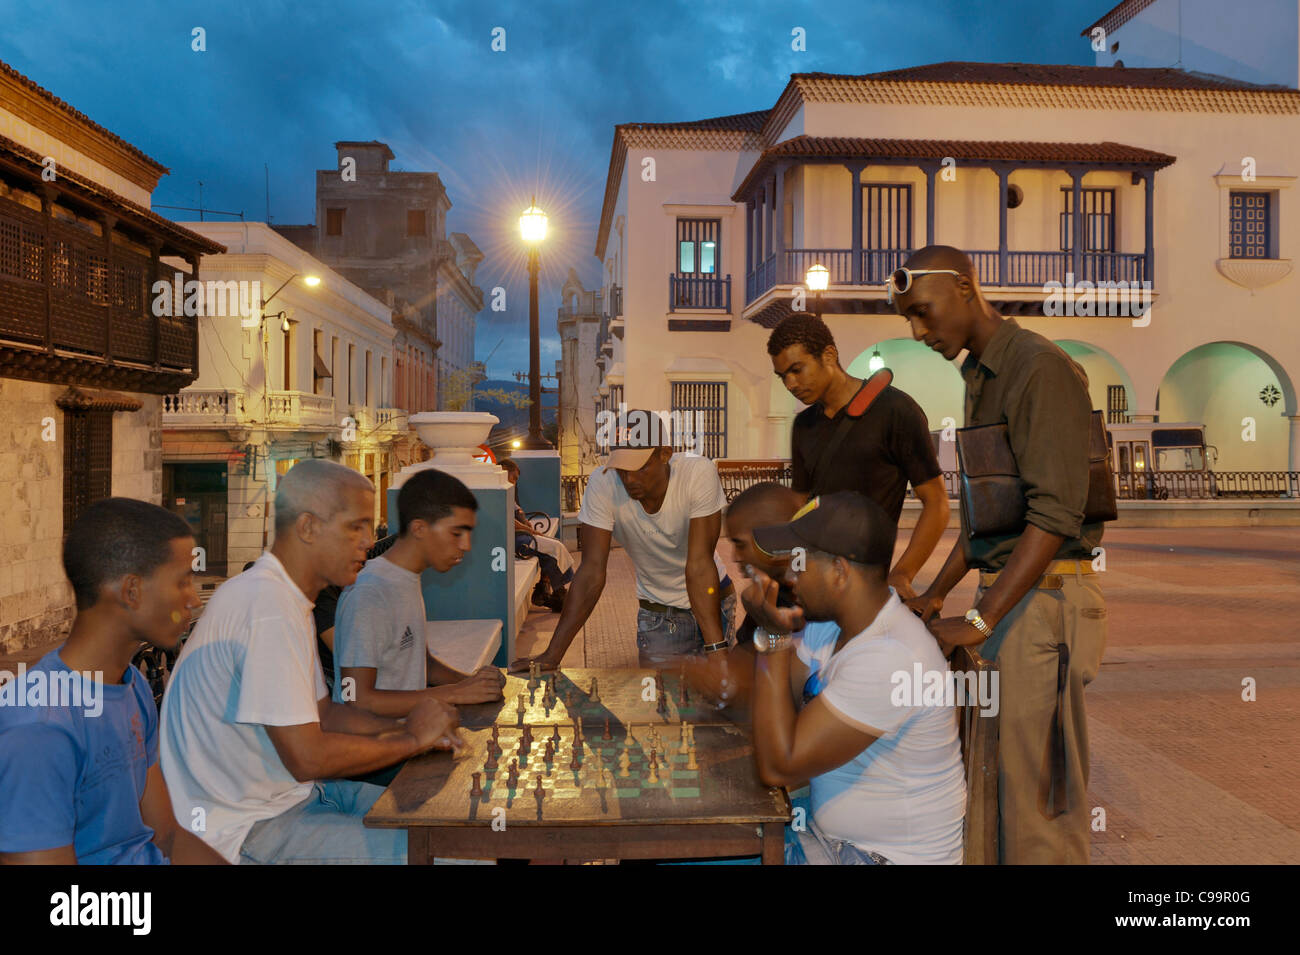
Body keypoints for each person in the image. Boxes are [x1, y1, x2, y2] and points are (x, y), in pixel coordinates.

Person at [894, 245, 1107, 865]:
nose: (919, 331)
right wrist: (937, 592)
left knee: (1038, 809)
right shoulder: (982, 371)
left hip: (1047, 603)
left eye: (924, 313)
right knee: (997, 790)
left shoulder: (1035, 366)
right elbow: (996, 512)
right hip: (1019, 598)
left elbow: (1053, 514)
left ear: (965, 288)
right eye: (909, 319)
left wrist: (981, 617)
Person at [160, 459, 463, 864]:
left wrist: (409, 726)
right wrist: (411, 740)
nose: (367, 543)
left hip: (301, 795)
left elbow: (325, 715)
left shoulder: (286, 599)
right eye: (354, 527)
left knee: (457, 824)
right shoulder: (267, 606)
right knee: (455, 855)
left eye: (368, 529)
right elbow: (307, 758)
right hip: (245, 829)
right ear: (307, 527)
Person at [0, 498, 227, 864]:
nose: (193, 600)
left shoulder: (133, 685)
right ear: (131, 591)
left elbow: (166, 835)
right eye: (182, 581)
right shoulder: (38, 726)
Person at [746, 491, 966, 865]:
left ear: (839, 571)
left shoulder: (891, 656)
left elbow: (778, 764)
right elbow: (775, 706)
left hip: (879, 858)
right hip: (830, 840)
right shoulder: (832, 625)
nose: (789, 574)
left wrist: (773, 639)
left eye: (799, 561)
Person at [510, 409, 730, 671]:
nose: (630, 479)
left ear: (664, 454)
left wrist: (717, 650)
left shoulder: (697, 473)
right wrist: (552, 655)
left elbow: (699, 565)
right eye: (622, 469)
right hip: (658, 613)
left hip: (714, 602)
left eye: (641, 467)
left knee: (716, 703)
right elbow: (591, 572)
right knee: (659, 705)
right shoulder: (603, 484)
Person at [766, 312, 949, 599]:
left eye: (797, 370)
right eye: (782, 376)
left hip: (863, 592)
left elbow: (937, 503)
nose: (790, 384)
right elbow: (799, 507)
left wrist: (902, 574)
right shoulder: (804, 425)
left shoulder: (896, 410)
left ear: (829, 355)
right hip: (809, 588)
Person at [333, 467, 506, 717]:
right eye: (456, 533)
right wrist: (455, 694)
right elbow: (355, 699)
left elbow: (423, 664)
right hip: (376, 749)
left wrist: (471, 683)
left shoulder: (405, 578)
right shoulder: (370, 593)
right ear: (419, 529)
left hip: (410, 738)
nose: (466, 546)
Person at [500, 457, 572, 612]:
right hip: (519, 541)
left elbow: (516, 514)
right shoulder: (500, 491)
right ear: (504, 469)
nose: (514, 483)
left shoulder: (508, 490)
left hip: (524, 535)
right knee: (553, 548)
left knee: (551, 550)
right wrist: (529, 530)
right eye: (514, 478)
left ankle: (549, 592)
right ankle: (555, 593)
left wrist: (526, 523)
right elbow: (507, 520)